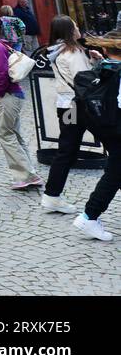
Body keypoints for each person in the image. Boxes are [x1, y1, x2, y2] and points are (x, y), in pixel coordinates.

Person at [42, 15, 102, 214]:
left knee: (66, 149)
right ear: (69, 30)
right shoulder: (73, 52)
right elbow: (86, 80)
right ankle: (52, 196)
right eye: (75, 26)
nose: (78, 28)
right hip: (81, 106)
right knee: (112, 141)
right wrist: (98, 63)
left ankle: (52, 194)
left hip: (66, 106)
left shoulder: (55, 51)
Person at [0, 16, 43, 190]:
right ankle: (30, 173)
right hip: (12, 95)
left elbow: (2, 71)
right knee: (14, 134)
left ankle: (26, 176)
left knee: (5, 134)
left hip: (8, 95)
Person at [73, 28, 121, 241]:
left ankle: (90, 216)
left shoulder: (105, 67)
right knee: (115, 172)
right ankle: (89, 216)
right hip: (117, 127)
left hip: (106, 127)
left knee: (116, 169)